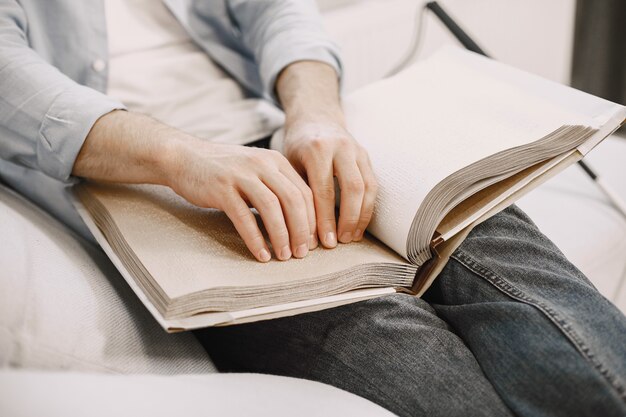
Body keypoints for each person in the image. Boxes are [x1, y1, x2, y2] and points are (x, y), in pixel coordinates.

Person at [1, 1, 624, 416]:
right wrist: (183, 158)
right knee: (377, 328)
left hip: (275, 134)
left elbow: (278, 12)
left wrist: (316, 115)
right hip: (155, 189)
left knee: (486, 238)